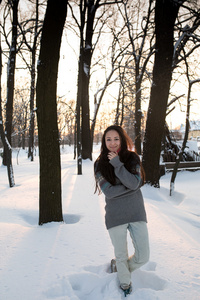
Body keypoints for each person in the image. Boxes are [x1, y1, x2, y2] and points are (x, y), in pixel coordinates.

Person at [94, 125, 149, 296]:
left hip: (136, 213)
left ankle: (120, 267)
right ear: (104, 142)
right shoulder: (99, 164)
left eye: (116, 139)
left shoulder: (132, 158)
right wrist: (131, 186)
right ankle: (125, 284)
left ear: (122, 139)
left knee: (143, 256)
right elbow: (109, 192)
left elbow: (134, 183)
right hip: (115, 216)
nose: (112, 143)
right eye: (108, 139)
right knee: (121, 254)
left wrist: (118, 165)